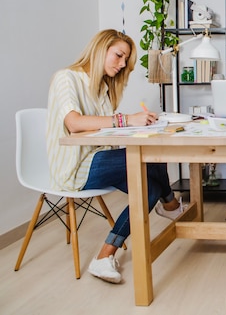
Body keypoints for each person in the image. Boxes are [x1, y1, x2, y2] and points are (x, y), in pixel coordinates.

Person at [46, 29, 185, 284]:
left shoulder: (102, 89)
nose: (122, 65)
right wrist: (126, 120)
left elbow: (105, 130)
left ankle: (104, 256)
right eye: (119, 56)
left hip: (98, 159)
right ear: (100, 49)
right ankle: (171, 205)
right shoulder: (66, 78)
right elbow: (74, 123)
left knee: (149, 187)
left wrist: (136, 125)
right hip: (74, 167)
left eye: (125, 61)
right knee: (150, 156)